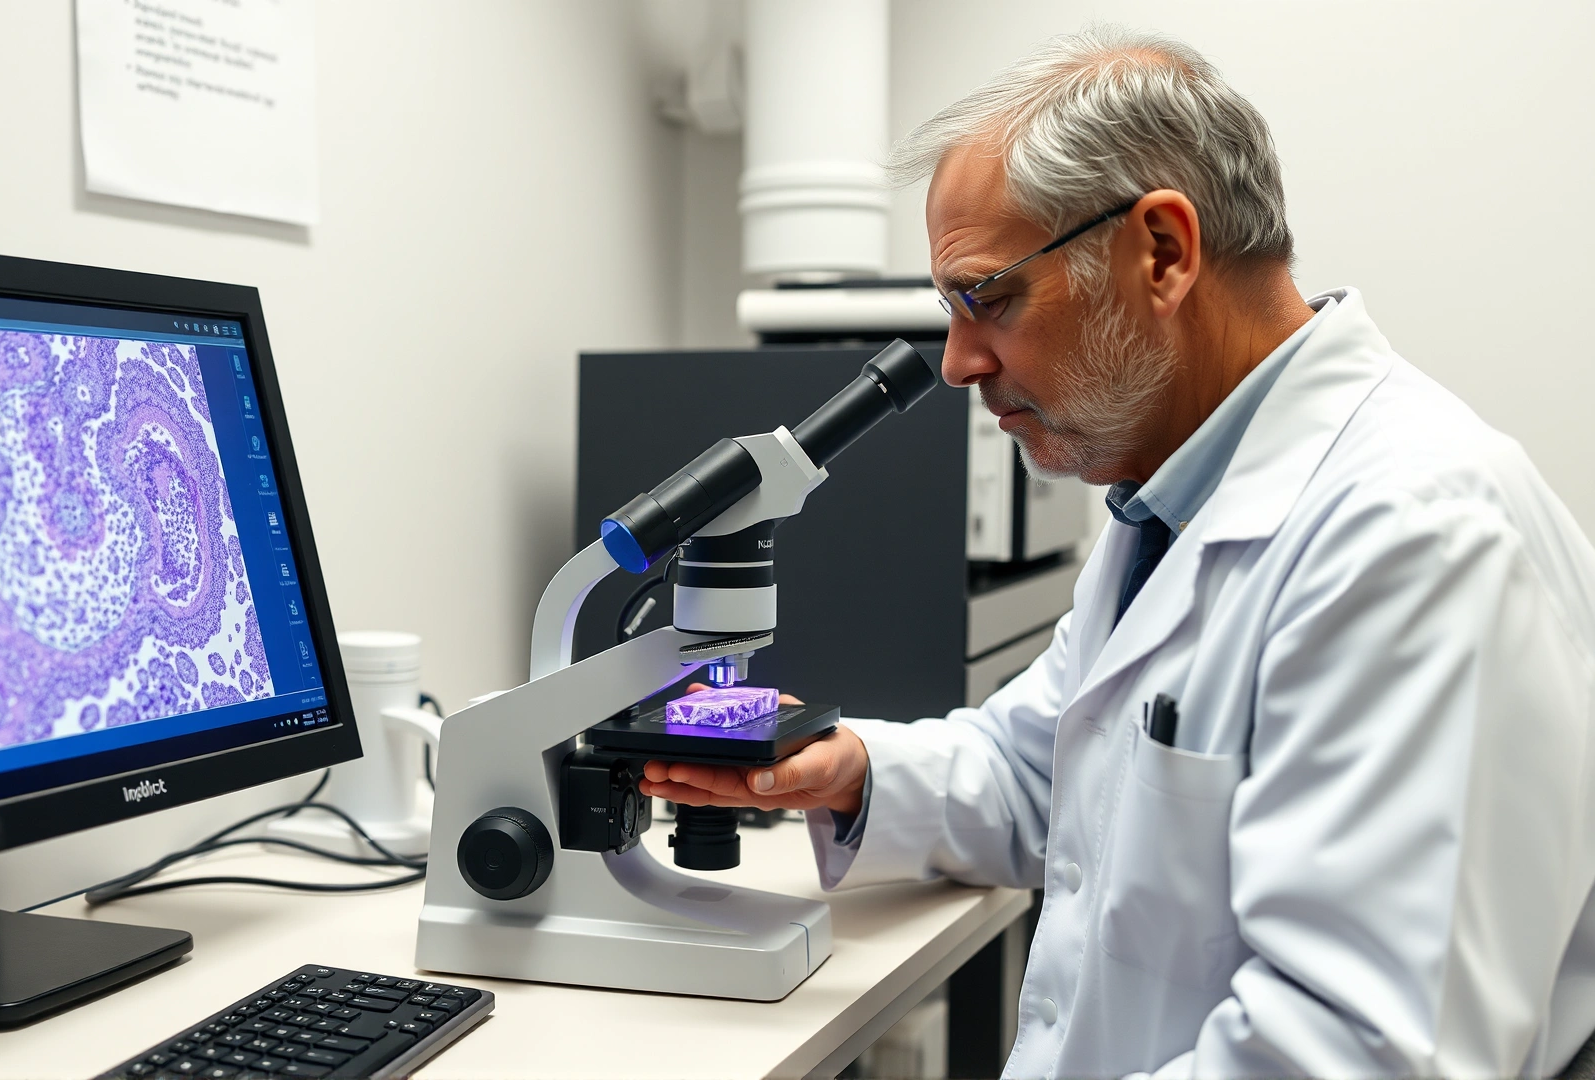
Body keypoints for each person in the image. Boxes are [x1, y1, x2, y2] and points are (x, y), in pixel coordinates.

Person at [642, 25, 1595, 1079]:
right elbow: (1041, 767)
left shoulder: (1414, 539)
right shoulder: (1170, 497)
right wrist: (851, 771)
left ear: (1163, 253)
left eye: (987, 298)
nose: (957, 363)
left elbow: (1358, 1055)